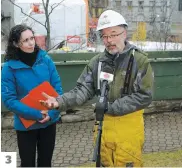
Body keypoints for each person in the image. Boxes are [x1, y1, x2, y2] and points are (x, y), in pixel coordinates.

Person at [40, 10, 154, 167]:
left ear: (124, 33)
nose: (109, 40)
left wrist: (111, 107)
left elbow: (144, 96)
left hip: (129, 129)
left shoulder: (139, 61)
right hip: (103, 127)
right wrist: (59, 102)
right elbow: (82, 90)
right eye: (105, 36)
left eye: (113, 34)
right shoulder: (97, 63)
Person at [1, 24, 63, 167]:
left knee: (45, 163)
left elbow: (57, 88)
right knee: (27, 163)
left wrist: (52, 113)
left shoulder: (46, 60)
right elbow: (9, 100)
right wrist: (36, 114)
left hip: (49, 121)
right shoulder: (9, 68)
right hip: (25, 125)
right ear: (16, 44)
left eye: (32, 38)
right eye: (25, 40)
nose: (31, 43)